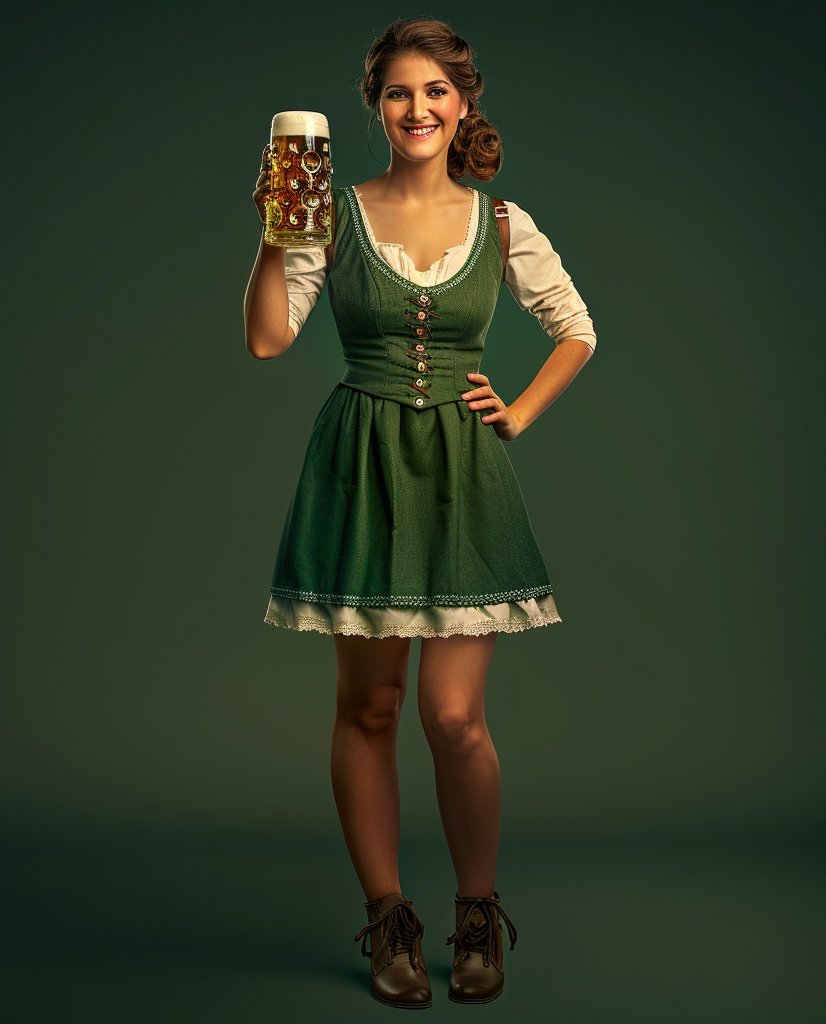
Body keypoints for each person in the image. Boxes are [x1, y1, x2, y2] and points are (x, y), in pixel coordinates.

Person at [244, 17, 596, 1009]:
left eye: (434, 92)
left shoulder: (501, 222)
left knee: (453, 717)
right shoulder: (330, 211)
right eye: (398, 93)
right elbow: (270, 338)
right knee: (371, 705)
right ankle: (388, 919)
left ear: (463, 103)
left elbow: (576, 327)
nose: (416, 109)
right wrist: (277, 229)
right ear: (374, 106)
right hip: (359, 467)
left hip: (462, 473)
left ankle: (476, 912)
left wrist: (516, 413)